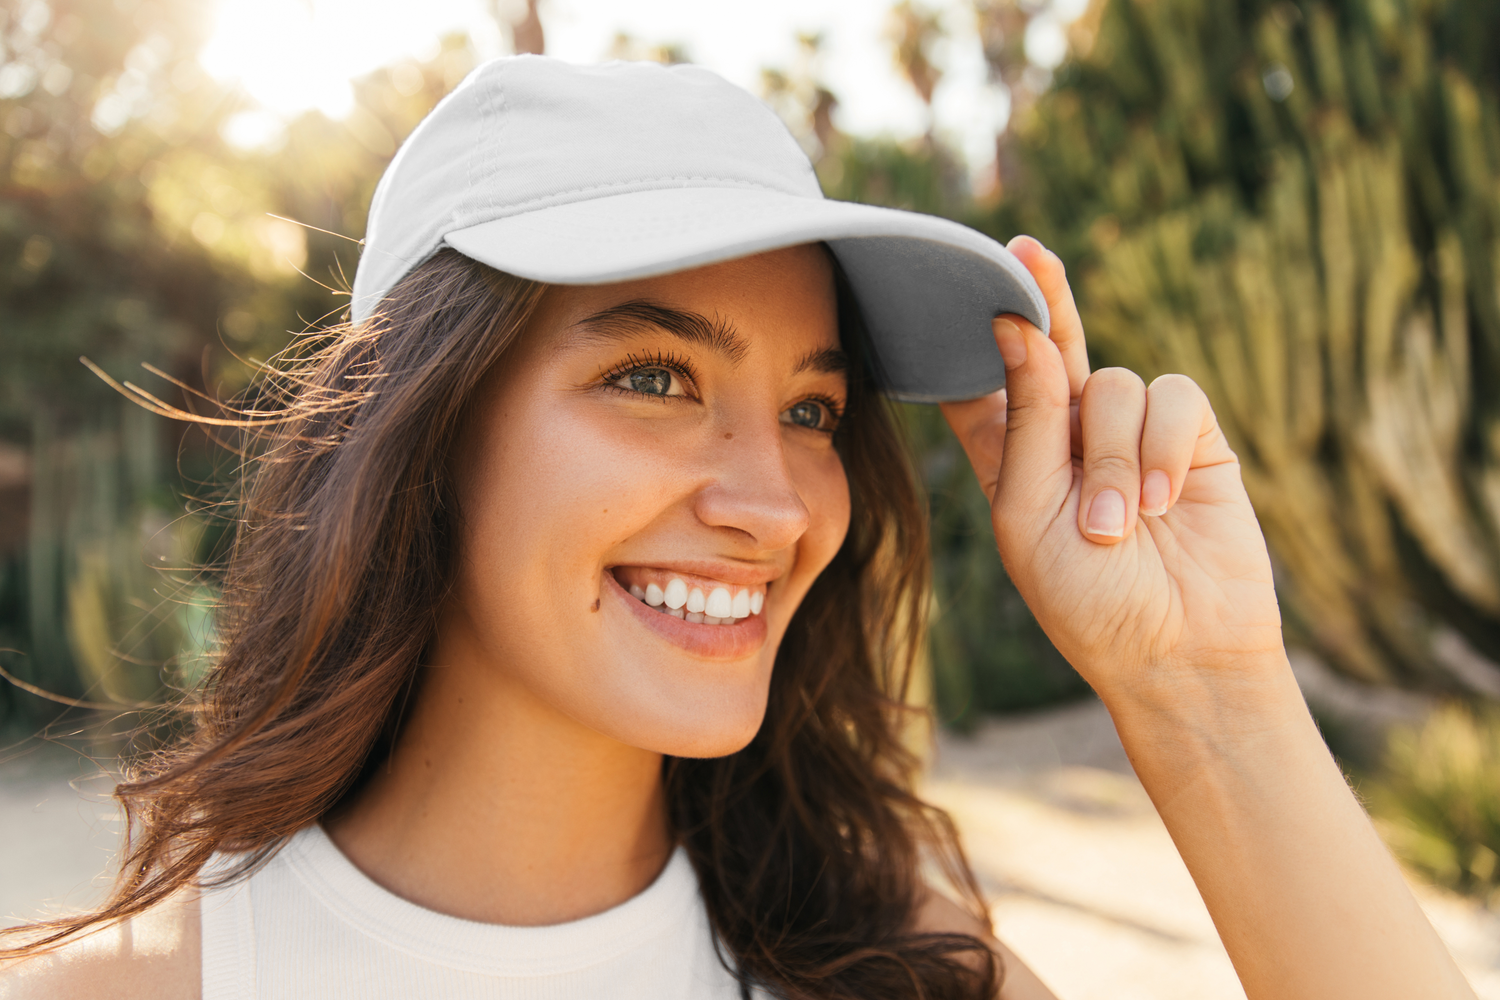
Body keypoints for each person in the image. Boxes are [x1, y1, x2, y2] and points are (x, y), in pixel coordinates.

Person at [0, 56, 1475, 1000]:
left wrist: (1203, 690)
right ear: (420, 437)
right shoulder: (130, 991)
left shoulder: (893, 972)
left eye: (816, 411)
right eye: (654, 378)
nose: (772, 503)